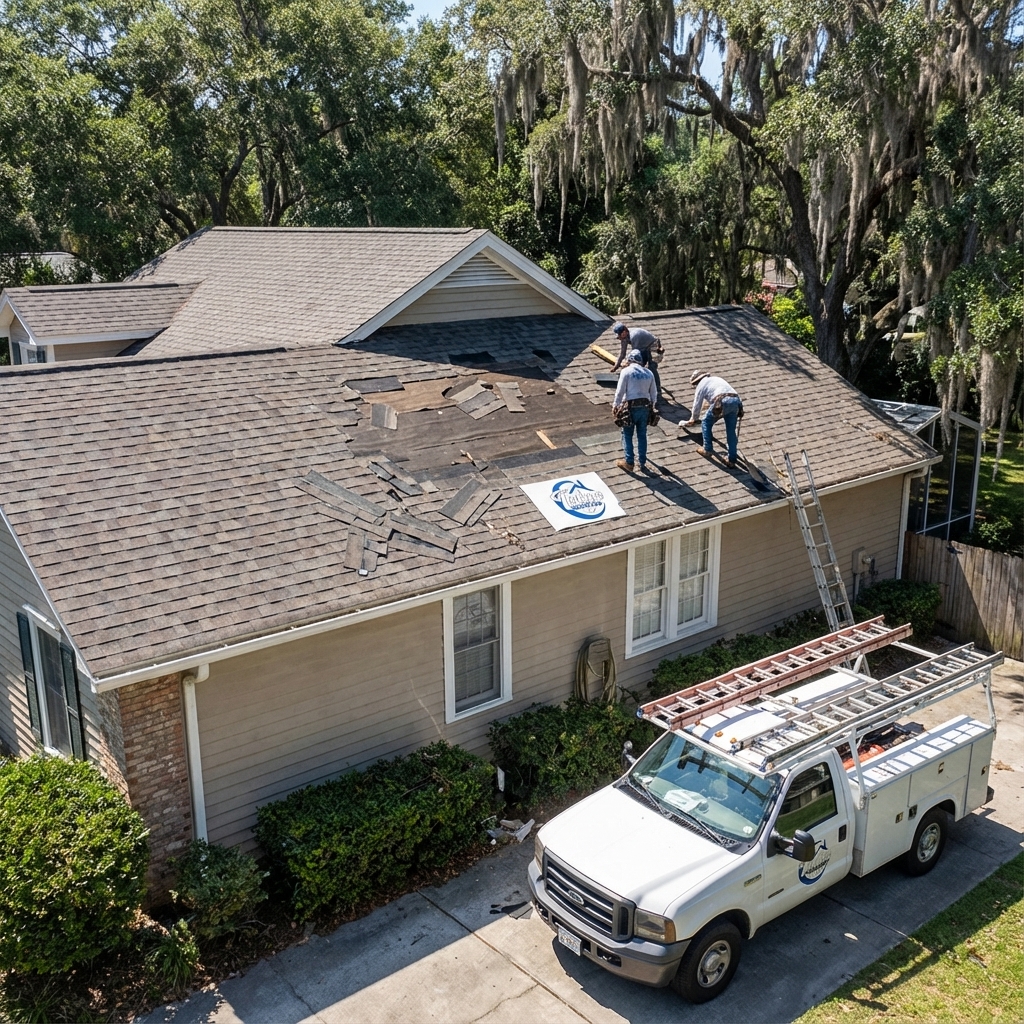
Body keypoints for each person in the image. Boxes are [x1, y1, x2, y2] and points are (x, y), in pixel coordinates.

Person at [682, 370, 743, 468]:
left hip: (721, 401)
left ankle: (707, 449)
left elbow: (697, 404)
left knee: (706, 422)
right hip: (736, 400)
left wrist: (693, 418)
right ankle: (732, 459)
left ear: (696, 381)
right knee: (731, 431)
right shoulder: (715, 379)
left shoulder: (701, 385)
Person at [613, 350, 658, 473]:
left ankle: (629, 462)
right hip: (645, 407)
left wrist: (615, 406)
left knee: (627, 434)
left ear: (630, 360)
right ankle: (642, 462)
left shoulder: (626, 372)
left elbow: (620, 391)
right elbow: (654, 393)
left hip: (631, 407)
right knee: (642, 434)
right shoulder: (649, 373)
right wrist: (653, 406)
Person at [610, 322, 663, 400]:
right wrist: (616, 366)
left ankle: (657, 390)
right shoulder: (624, 338)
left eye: (619, 335)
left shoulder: (634, 336)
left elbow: (635, 355)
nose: (619, 338)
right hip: (643, 348)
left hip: (653, 346)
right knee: (638, 367)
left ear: (624, 332)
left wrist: (627, 364)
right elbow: (622, 353)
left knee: (651, 367)